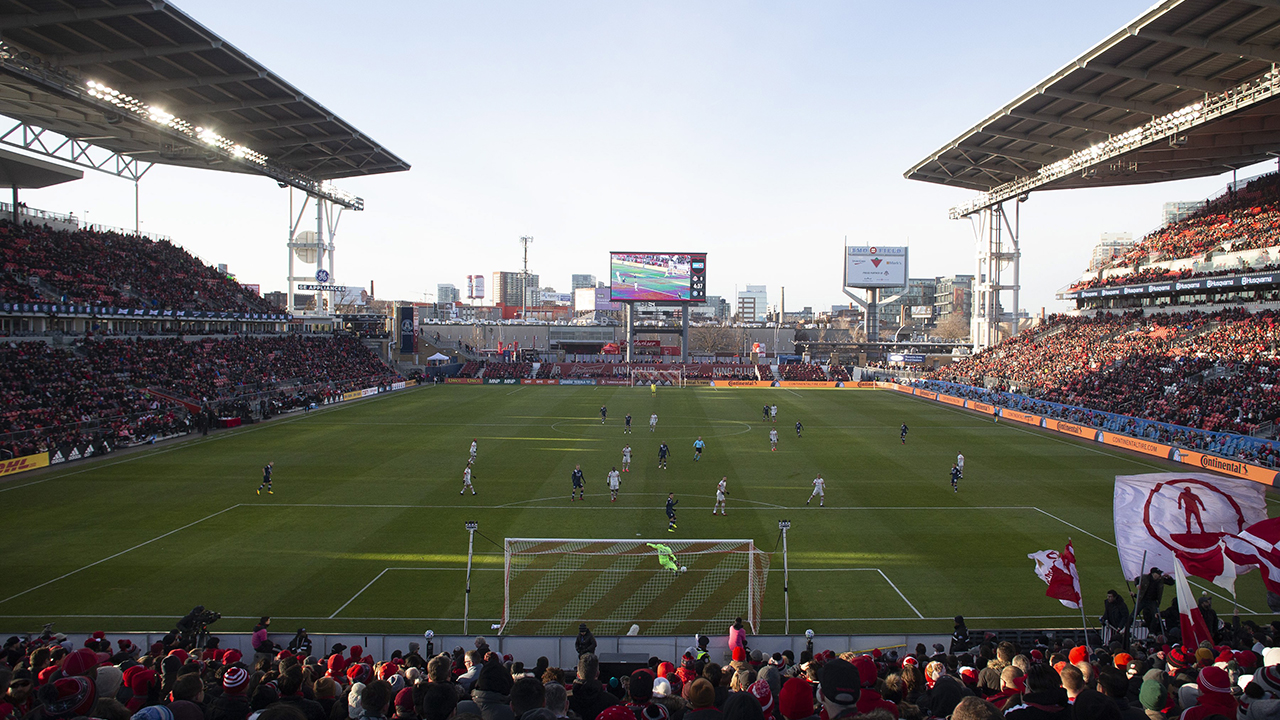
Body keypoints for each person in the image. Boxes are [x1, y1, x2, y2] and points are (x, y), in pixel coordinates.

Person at [1134, 567, 1173, 631]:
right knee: (1136, 614)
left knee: (1154, 617)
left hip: (1153, 601)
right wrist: (1137, 585)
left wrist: (1169, 577)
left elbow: (1171, 583)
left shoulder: (1160, 580)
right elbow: (1137, 579)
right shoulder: (1146, 578)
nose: (1160, 575)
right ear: (1153, 574)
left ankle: (1151, 632)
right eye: (1158, 574)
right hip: (1146, 601)